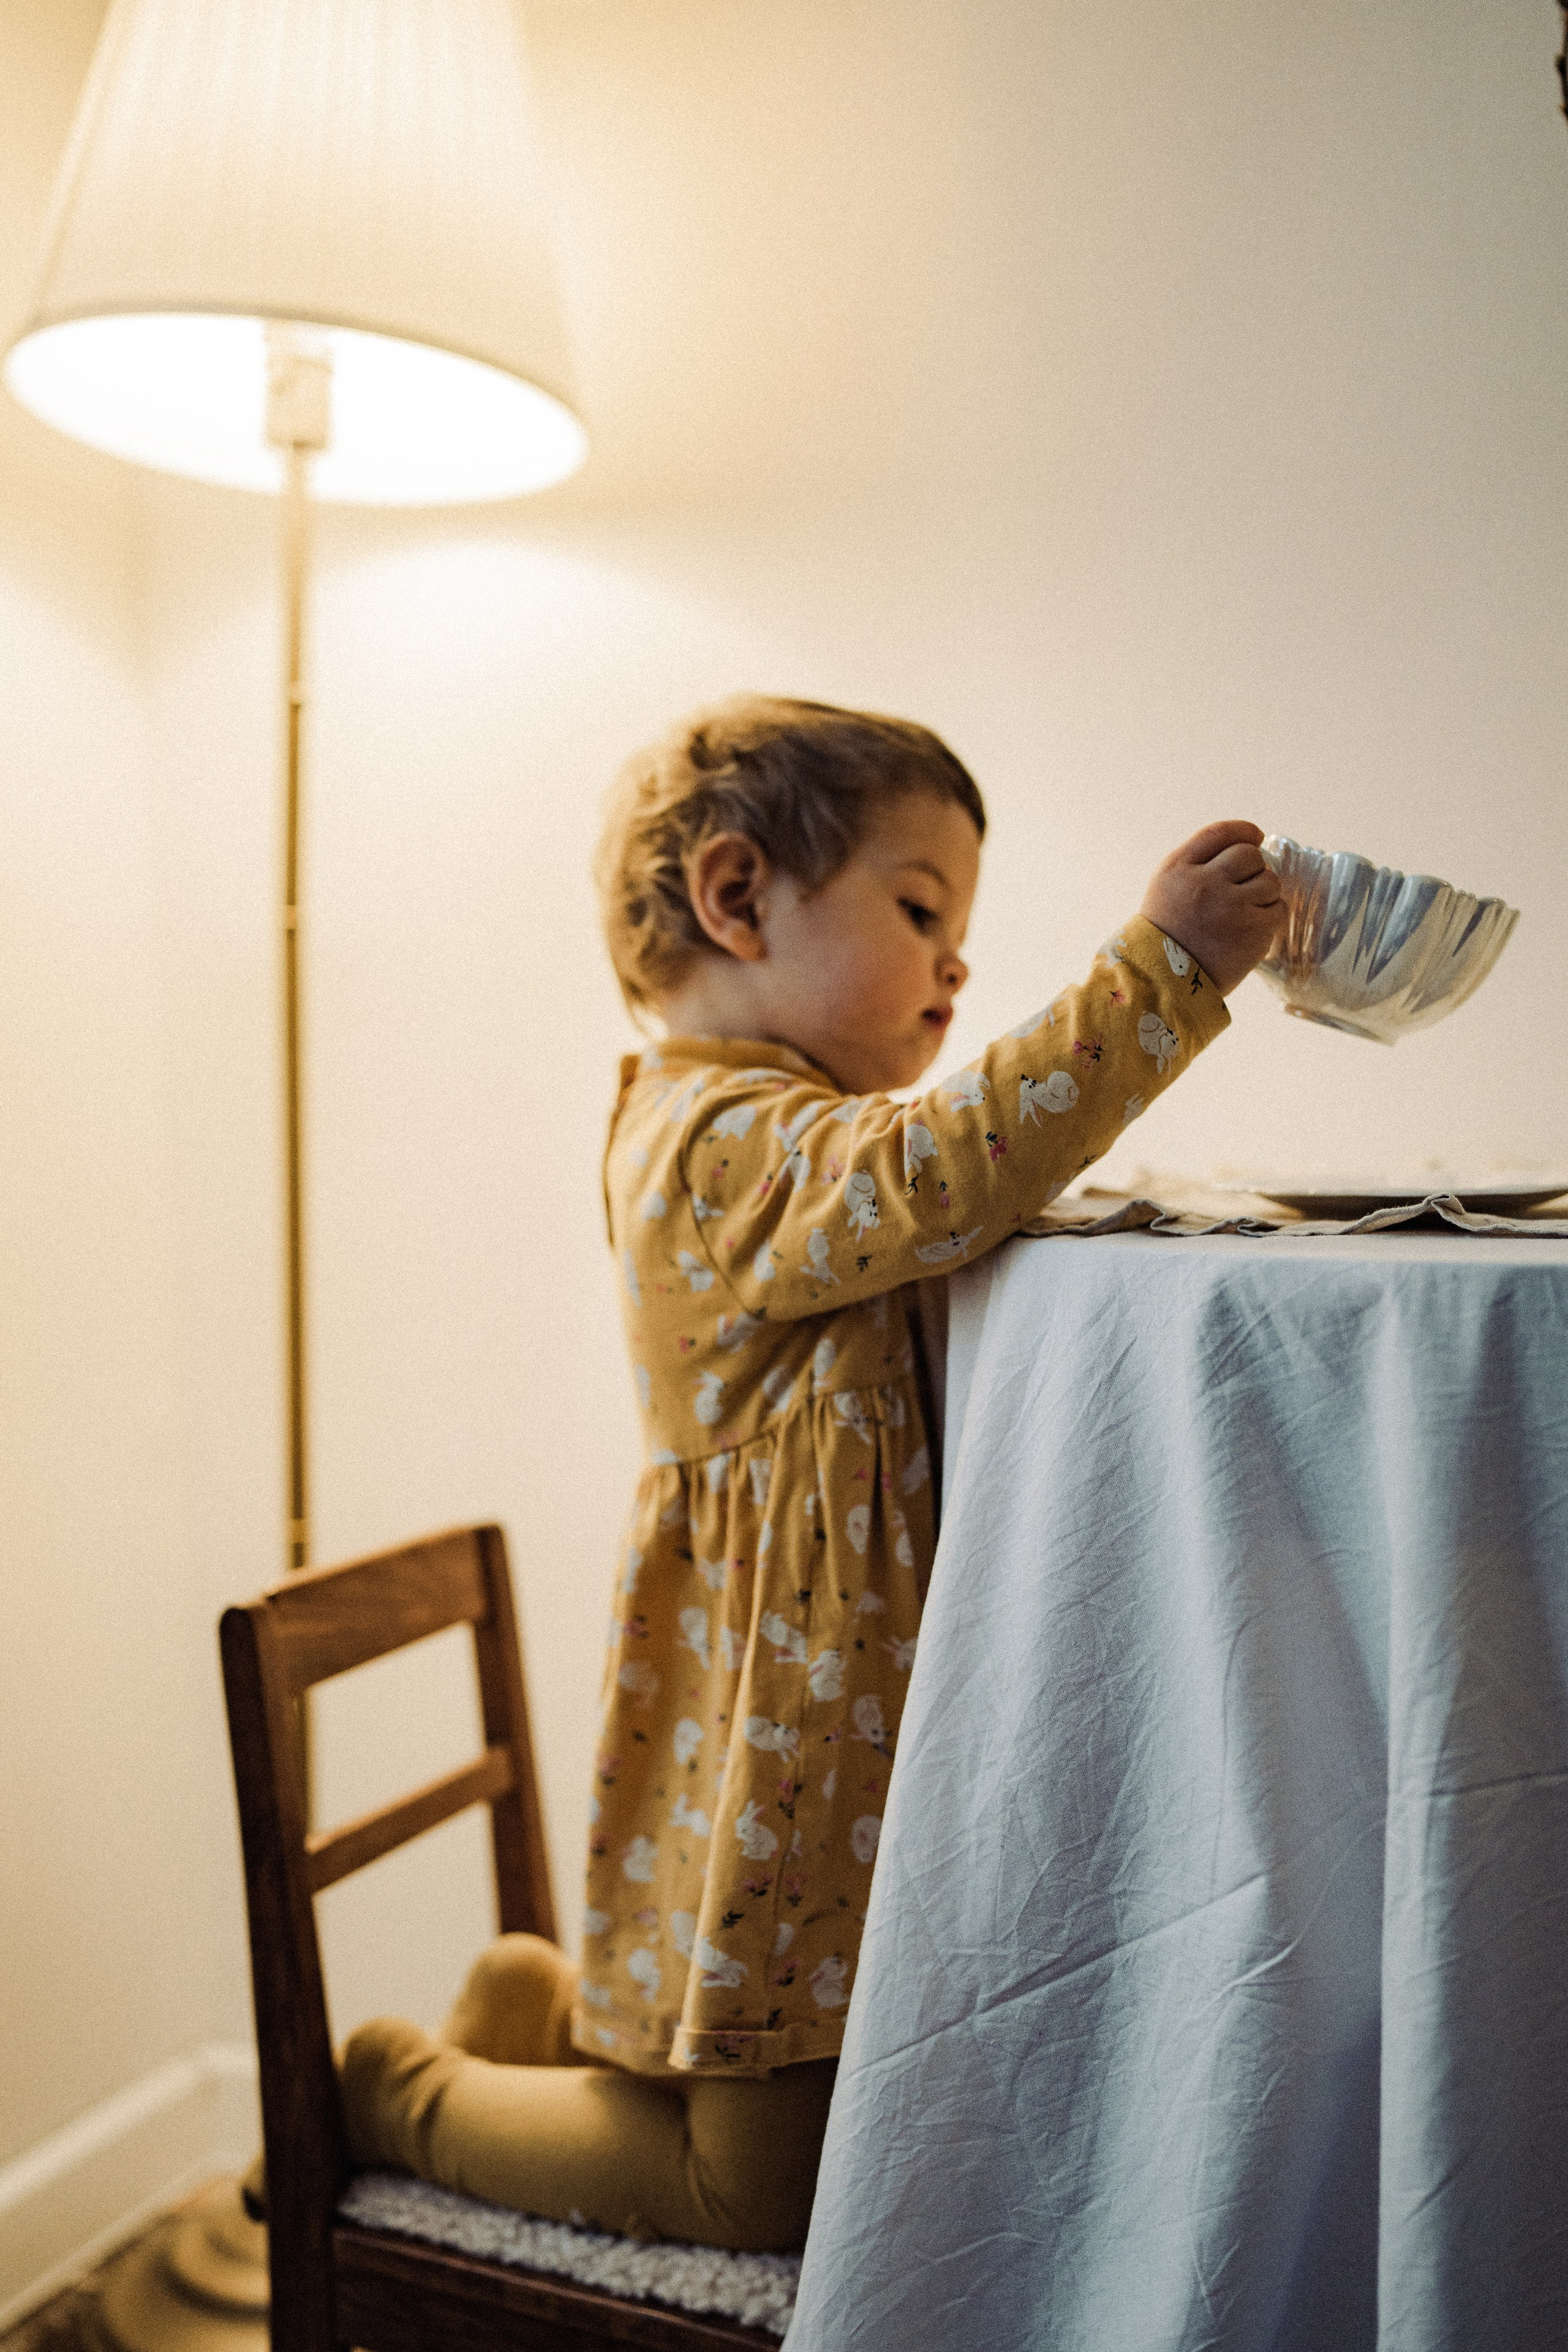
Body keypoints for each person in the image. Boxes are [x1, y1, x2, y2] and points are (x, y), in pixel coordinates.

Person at [339, 694, 1283, 2250]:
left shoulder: (776, 1132)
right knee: (760, 2189)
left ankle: (529, 2010)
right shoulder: (715, 1141)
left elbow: (933, 1204)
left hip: (818, 1719)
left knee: (798, 2079)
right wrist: (1163, 974)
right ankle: (397, 2093)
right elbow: (936, 1171)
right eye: (921, 911)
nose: (956, 964)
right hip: (788, 1738)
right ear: (733, 897)